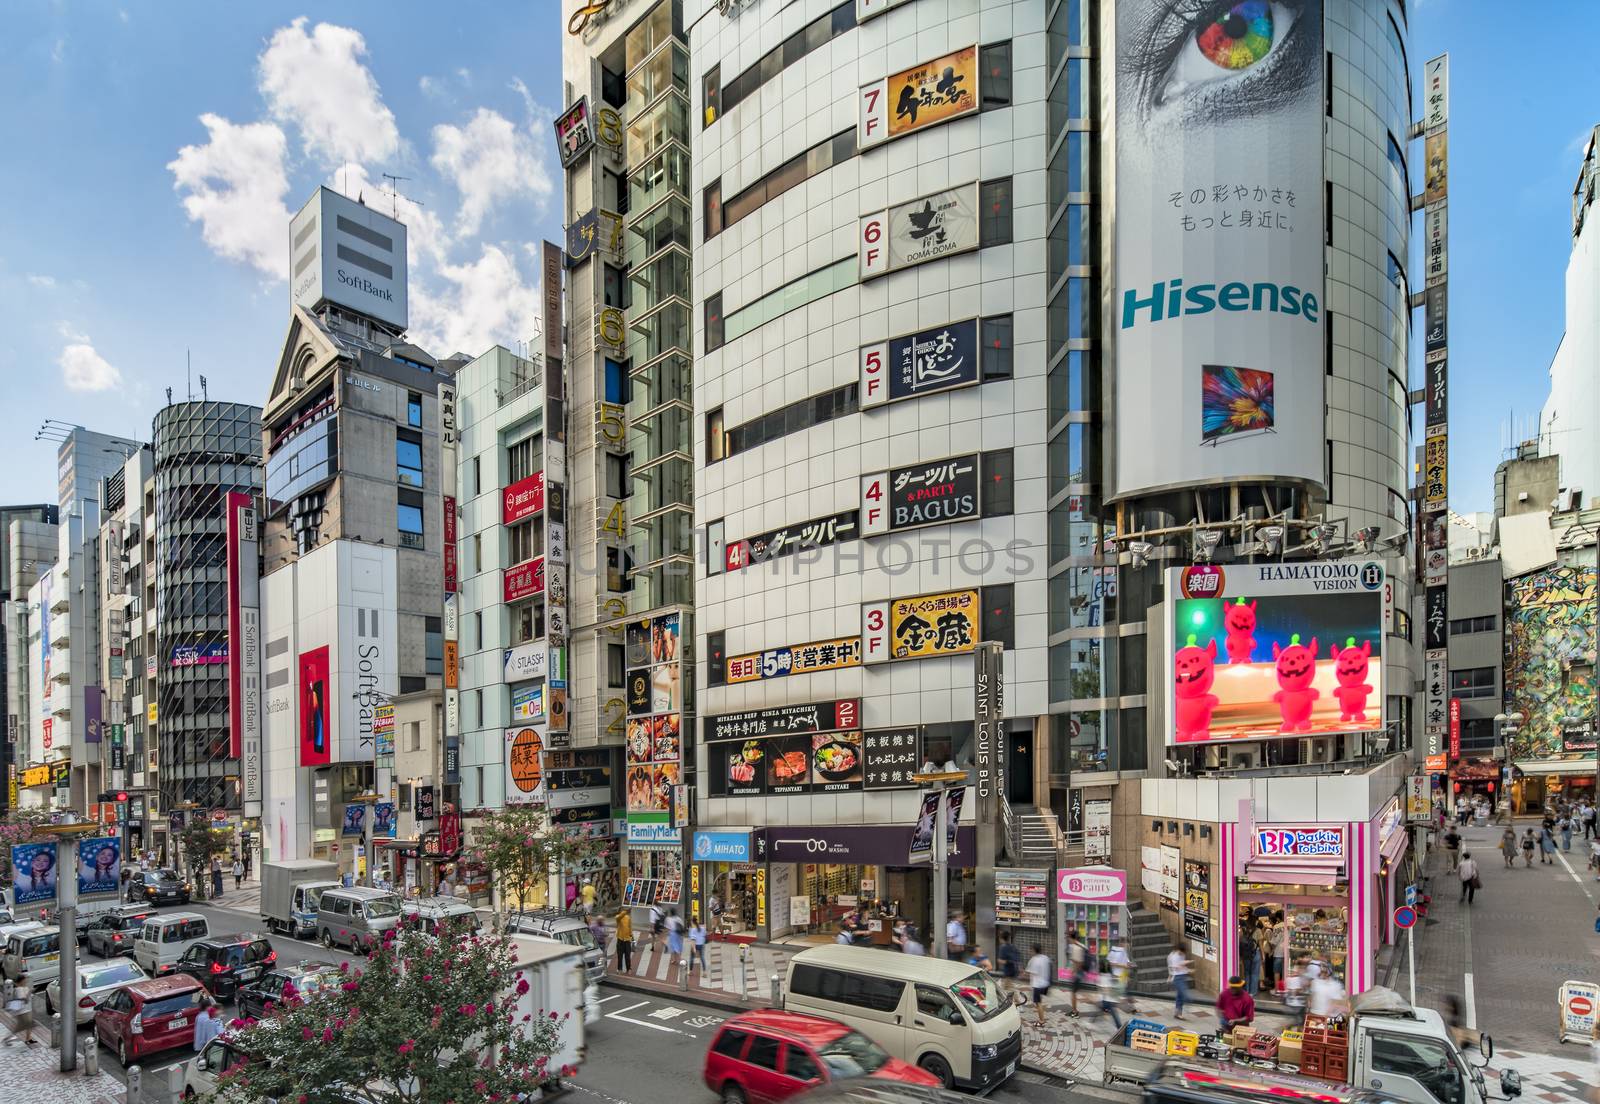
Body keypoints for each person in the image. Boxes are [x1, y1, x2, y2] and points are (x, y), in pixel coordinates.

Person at [1025, 946, 1052, 1026]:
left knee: (1038, 1003)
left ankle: (1041, 1021)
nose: (1029, 951)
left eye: (1030, 950)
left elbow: (1031, 972)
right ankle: (1042, 1015)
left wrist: (1023, 973)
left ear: (1033, 950)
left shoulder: (1033, 960)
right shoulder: (1045, 958)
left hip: (1037, 985)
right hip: (1045, 984)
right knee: (1039, 1001)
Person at [1097, 959, 1126, 1030]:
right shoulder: (1110, 975)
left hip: (1107, 1000)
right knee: (1109, 1012)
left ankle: (1120, 1028)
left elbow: (1105, 989)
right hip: (1109, 999)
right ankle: (1119, 1027)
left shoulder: (1102, 977)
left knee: (1113, 1013)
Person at [1065, 930, 1088, 1016]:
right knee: (1076, 992)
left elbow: (1078, 962)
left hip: (1077, 973)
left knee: (1073, 993)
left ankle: (1075, 1012)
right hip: (1081, 972)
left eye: (1068, 937)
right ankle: (1074, 1010)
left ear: (1071, 937)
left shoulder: (1075, 947)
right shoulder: (1081, 945)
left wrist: (1073, 972)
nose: (1068, 939)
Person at [1167, 943, 1192, 1020]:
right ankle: (1183, 1009)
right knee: (1185, 995)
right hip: (1177, 978)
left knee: (1179, 996)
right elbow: (1175, 967)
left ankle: (1177, 1013)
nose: (1183, 954)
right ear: (1178, 950)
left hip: (1182, 976)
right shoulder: (1173, 956)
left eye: (1183, 952)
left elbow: (1182, 965)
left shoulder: (1182, 954)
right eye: (1181, 952)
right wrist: (1170, 976)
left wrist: (1187, 969)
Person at [1238, 920, 1261, 995]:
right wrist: (1263, 955)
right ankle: (1253, 992)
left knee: (1247, 973)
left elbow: (1239, 941)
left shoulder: (1242, 930)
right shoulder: (1258, 931)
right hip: (1255, 953)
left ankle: (1246, 990)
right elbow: (1260, 944)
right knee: (1255, 973)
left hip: (1246, 954)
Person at [998, 931, 1023, 999]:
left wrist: (1001, 961)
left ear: (1001, 938)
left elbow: (1001, 961)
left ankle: (1018, 1002)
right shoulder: (1012, 946)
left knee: (1006, 988)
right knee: (1007, 986)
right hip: (1014, 970)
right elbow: (1018, 957)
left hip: (1008, 971)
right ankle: (1017, 1001)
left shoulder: (1003, 947)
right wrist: (1020, 968)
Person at [615, 906, 633, 973]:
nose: (623, 912)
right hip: (620, 939)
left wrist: (631, 936)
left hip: (627, 939)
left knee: (627, 955)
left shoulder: (628, 918)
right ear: (620, 912)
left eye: (623, 910)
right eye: (622, 910)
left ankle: (629, 969)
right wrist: (626, 911)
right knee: (620, 956)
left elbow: (630, 927)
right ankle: (619, 969)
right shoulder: (618, 918)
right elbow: (620, 916)